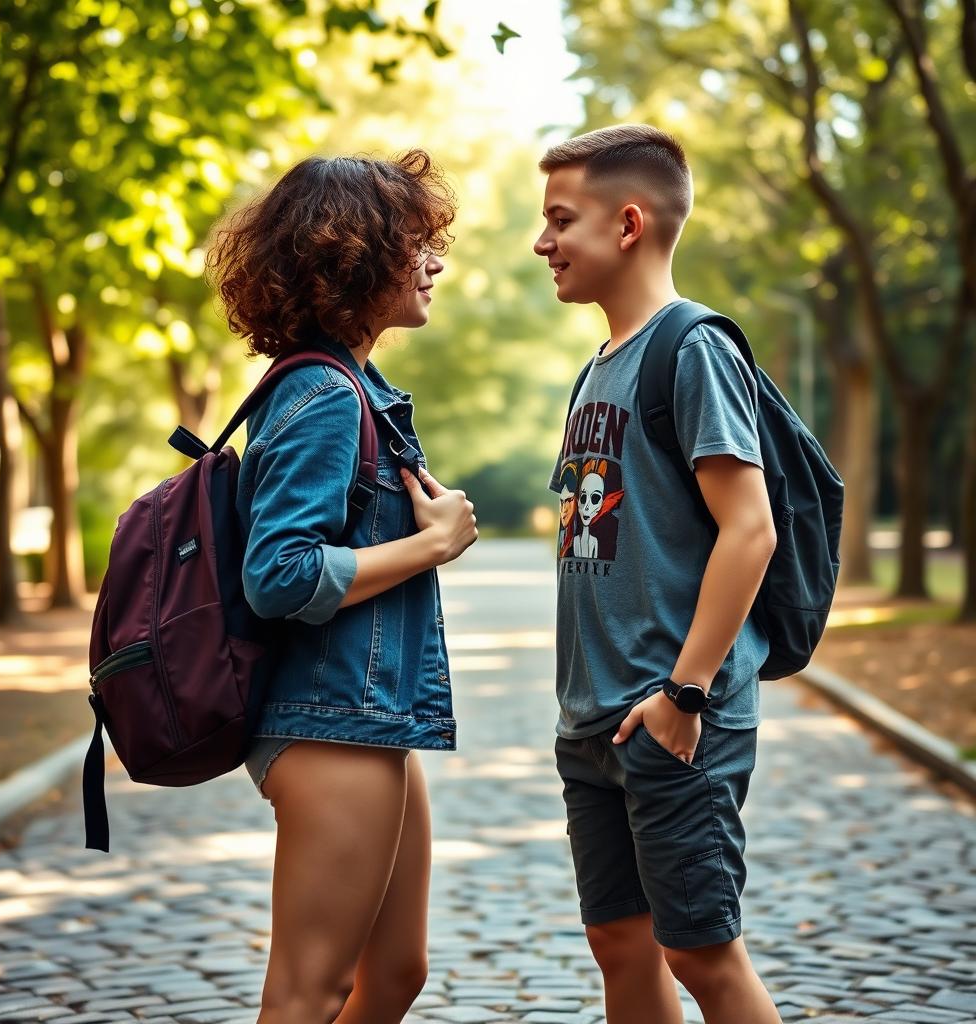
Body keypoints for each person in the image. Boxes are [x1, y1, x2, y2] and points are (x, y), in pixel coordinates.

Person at [206, 150, 478, 1024]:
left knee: (394, 973)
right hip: (328, 723)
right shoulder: (323, 394)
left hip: (370, 718)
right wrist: (430, 546)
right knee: (307, 993)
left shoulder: (351, 386)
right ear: (357, 255)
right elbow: (279, 575)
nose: (435, 262)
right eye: (416, 244)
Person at [535, 124, 783, 1024]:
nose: (543, 241)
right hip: (594, 716)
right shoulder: (597, 365)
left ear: (628, 223)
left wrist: (685, 692)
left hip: (674, 713)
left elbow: (748, 529)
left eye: (562, 220)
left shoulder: (694, 347)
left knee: (701, 953)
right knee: (621, 945)